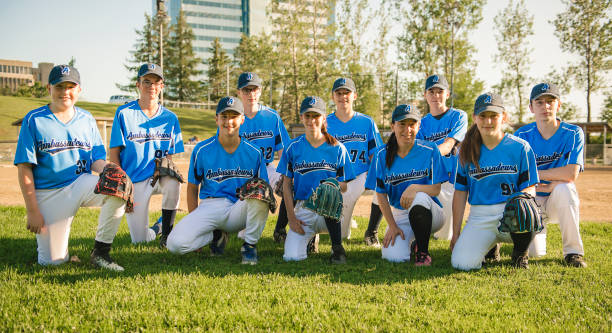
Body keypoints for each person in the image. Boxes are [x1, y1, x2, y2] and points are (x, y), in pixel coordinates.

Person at [14, 65, 126, 271]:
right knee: (52, 262)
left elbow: (95, 160)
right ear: (49, 88)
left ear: (79, 90)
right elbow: (25, 168)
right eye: (59, 86)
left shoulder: (86, 119)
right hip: (49, 192)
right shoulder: (34, 119)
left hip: (79, 183)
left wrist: (111, 170)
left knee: (118, 189)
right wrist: (32, 211)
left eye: (70, 86)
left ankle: (101, 253)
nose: (65, 92)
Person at [166, 97, 269, 265]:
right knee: (174, 245)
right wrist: (196, 227)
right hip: (211, 206)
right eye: (224, 116)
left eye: (234, 116)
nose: (229, 121)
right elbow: (192, 188)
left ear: (242, 119)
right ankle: (214, 235)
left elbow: (264, 189)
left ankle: (249, 245)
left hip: (239, 207)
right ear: (216, 119)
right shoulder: (202, 149)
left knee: (261, 193)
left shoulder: (254, 152)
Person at [451, 92, 540, 270]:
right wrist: (456, 234)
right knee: (462, 263)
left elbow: (530, 187)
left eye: (494, 116)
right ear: (475, 117)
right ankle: (490, 246)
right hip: (479, 216)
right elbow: (460, 193)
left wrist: (522, 200)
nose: (488, 121)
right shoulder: (465, 150)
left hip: (512, 214)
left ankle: (520, 254)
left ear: (504, 117)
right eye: (483, 116)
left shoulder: (520, 147)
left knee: (536, 245)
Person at [109, 63, 184, 247]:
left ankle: (167, 235)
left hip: (158, 176)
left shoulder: (170, 117)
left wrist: (166, 168)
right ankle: (157, 228)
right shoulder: (124, 113)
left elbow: (170, 158)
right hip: (134, 181)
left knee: (174, 182)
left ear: (162, 86)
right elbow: (114, 152)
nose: (151, 86)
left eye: (156, 82)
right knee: (140, 240)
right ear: (138, 84)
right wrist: (122, 181)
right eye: (146, 82)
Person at [514, 82, 587, 267]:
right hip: (533, 200)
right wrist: (549, 180)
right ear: (531, 107)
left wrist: (537, 176)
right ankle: (536, 232)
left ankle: (573, 252)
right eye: (539, 102)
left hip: (556, 198)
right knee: (536, 253)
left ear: (558, 105)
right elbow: (517, 176)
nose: (545, 106)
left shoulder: (572, 132)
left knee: (566, 188)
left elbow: (571, 173)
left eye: (550, 101)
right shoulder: (522, 135)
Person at [277, 96, 355, 263]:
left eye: (316, 116)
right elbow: (286, 186)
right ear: (301, 118)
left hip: (330, 213)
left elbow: (344, 186)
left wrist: (331, 186)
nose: (312, 120)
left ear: (324, 119)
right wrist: (291, 218)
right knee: (291, 257)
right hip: (304, 209)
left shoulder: (337, 148)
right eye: (308, 116)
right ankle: (310, 238)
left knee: (329, 191)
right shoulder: (293, 147)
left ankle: (337, 248)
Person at [374, 105, 448, 265]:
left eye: (412, 124)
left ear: (418, 126)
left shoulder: (430, 149)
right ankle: (414, 243)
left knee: (419, 197)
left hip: (430, 211)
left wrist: (414, 188)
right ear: (393, 126)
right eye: (402, 124)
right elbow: (380, 194)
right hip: (401, 214)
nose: (407, 129)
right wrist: (392, 226)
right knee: (394, 257)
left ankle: (423, 252)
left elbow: (436, 189)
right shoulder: (382, 154)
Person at [231, 72, 290, 244]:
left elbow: (284, 151)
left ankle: (280, 229)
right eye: (246, 90)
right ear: (239, 92)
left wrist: (287, 176)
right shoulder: (232, 117)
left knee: (289, 185)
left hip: (266, 167)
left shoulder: (271, 117)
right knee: (242, 232)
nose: (251, 94)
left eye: (254, 89)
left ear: (260, 91)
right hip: (239, 171)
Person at [325, 77, 384, 245]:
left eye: (347, 93)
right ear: (333, 97)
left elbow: (377, 156)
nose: (343, 96)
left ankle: (371, 232)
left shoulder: (366, 122)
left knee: (383, 182)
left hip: (361, 176)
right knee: (342, 236)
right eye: (339, 93)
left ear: (355, 96)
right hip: (338, 182)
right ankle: (346, 220)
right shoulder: (325, 123)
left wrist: (373, 178)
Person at [417, 74, 468, 241]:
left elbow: (448, 146)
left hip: (451, 182)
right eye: (431, 91)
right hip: (430, 180)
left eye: (440, 91)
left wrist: (427, 156)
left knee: (445, 236)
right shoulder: (421, 123)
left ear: (447, 94)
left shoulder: (458, 116)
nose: (435, 95)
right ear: (425, 95)